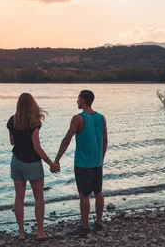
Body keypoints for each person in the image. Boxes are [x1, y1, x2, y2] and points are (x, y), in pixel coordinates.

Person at [54, 89, 108, 237]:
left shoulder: (78, 118)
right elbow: (105, 141)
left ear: (83, 99)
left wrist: (56, 160)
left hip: (83, 164)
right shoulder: (101, 118)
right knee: (98, 192)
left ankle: (84, 227)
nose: (77, 101)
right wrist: (101, 159)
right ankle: (98, 223)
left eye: (78, 98)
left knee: (83, 195)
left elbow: (66, 140)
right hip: (97, 163)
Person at [7, 92, 59, 241]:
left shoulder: (12, 120)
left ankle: (21, 232)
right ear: (32, 104)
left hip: (16, 161)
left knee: (19, 198)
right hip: (32, 163)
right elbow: (37, 147)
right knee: (38, 197)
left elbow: (12, 142)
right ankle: (40, 231)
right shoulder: (34, 122)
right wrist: (51, 163)